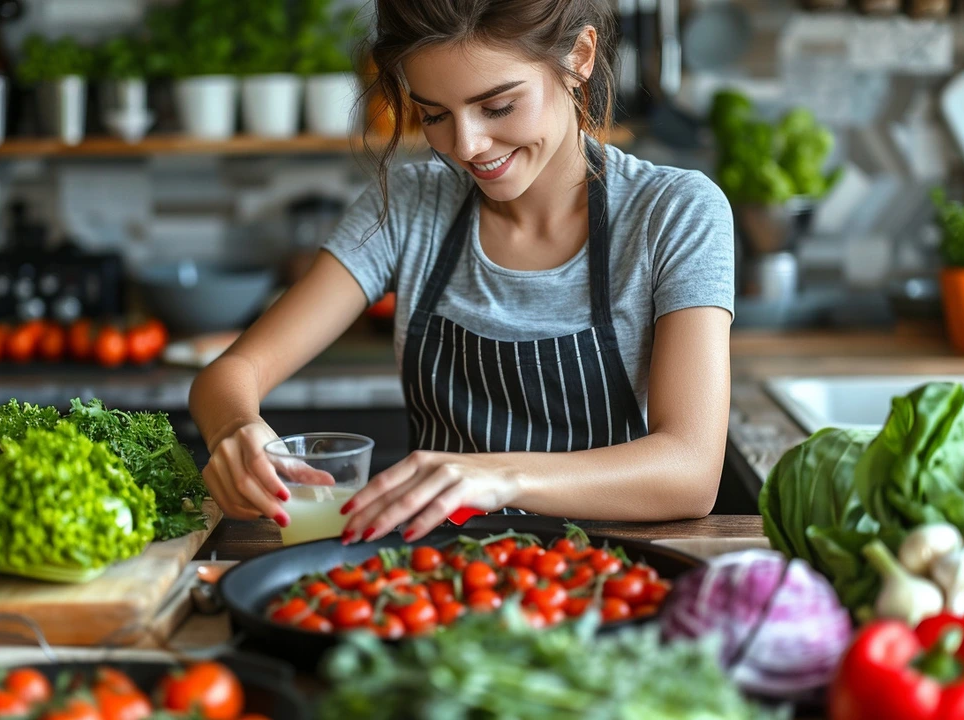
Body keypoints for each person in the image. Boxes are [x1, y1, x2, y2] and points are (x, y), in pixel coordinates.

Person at [189, 0, 734, 544]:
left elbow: (690, 472)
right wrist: (235, 431)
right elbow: (229, 374)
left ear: (579, 56)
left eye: (497, 107)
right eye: (435, 115)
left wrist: (494, 476)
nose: (466, 146)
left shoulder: (674, 212)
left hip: (604, 584)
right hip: (437, 583)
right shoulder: (413, 204)